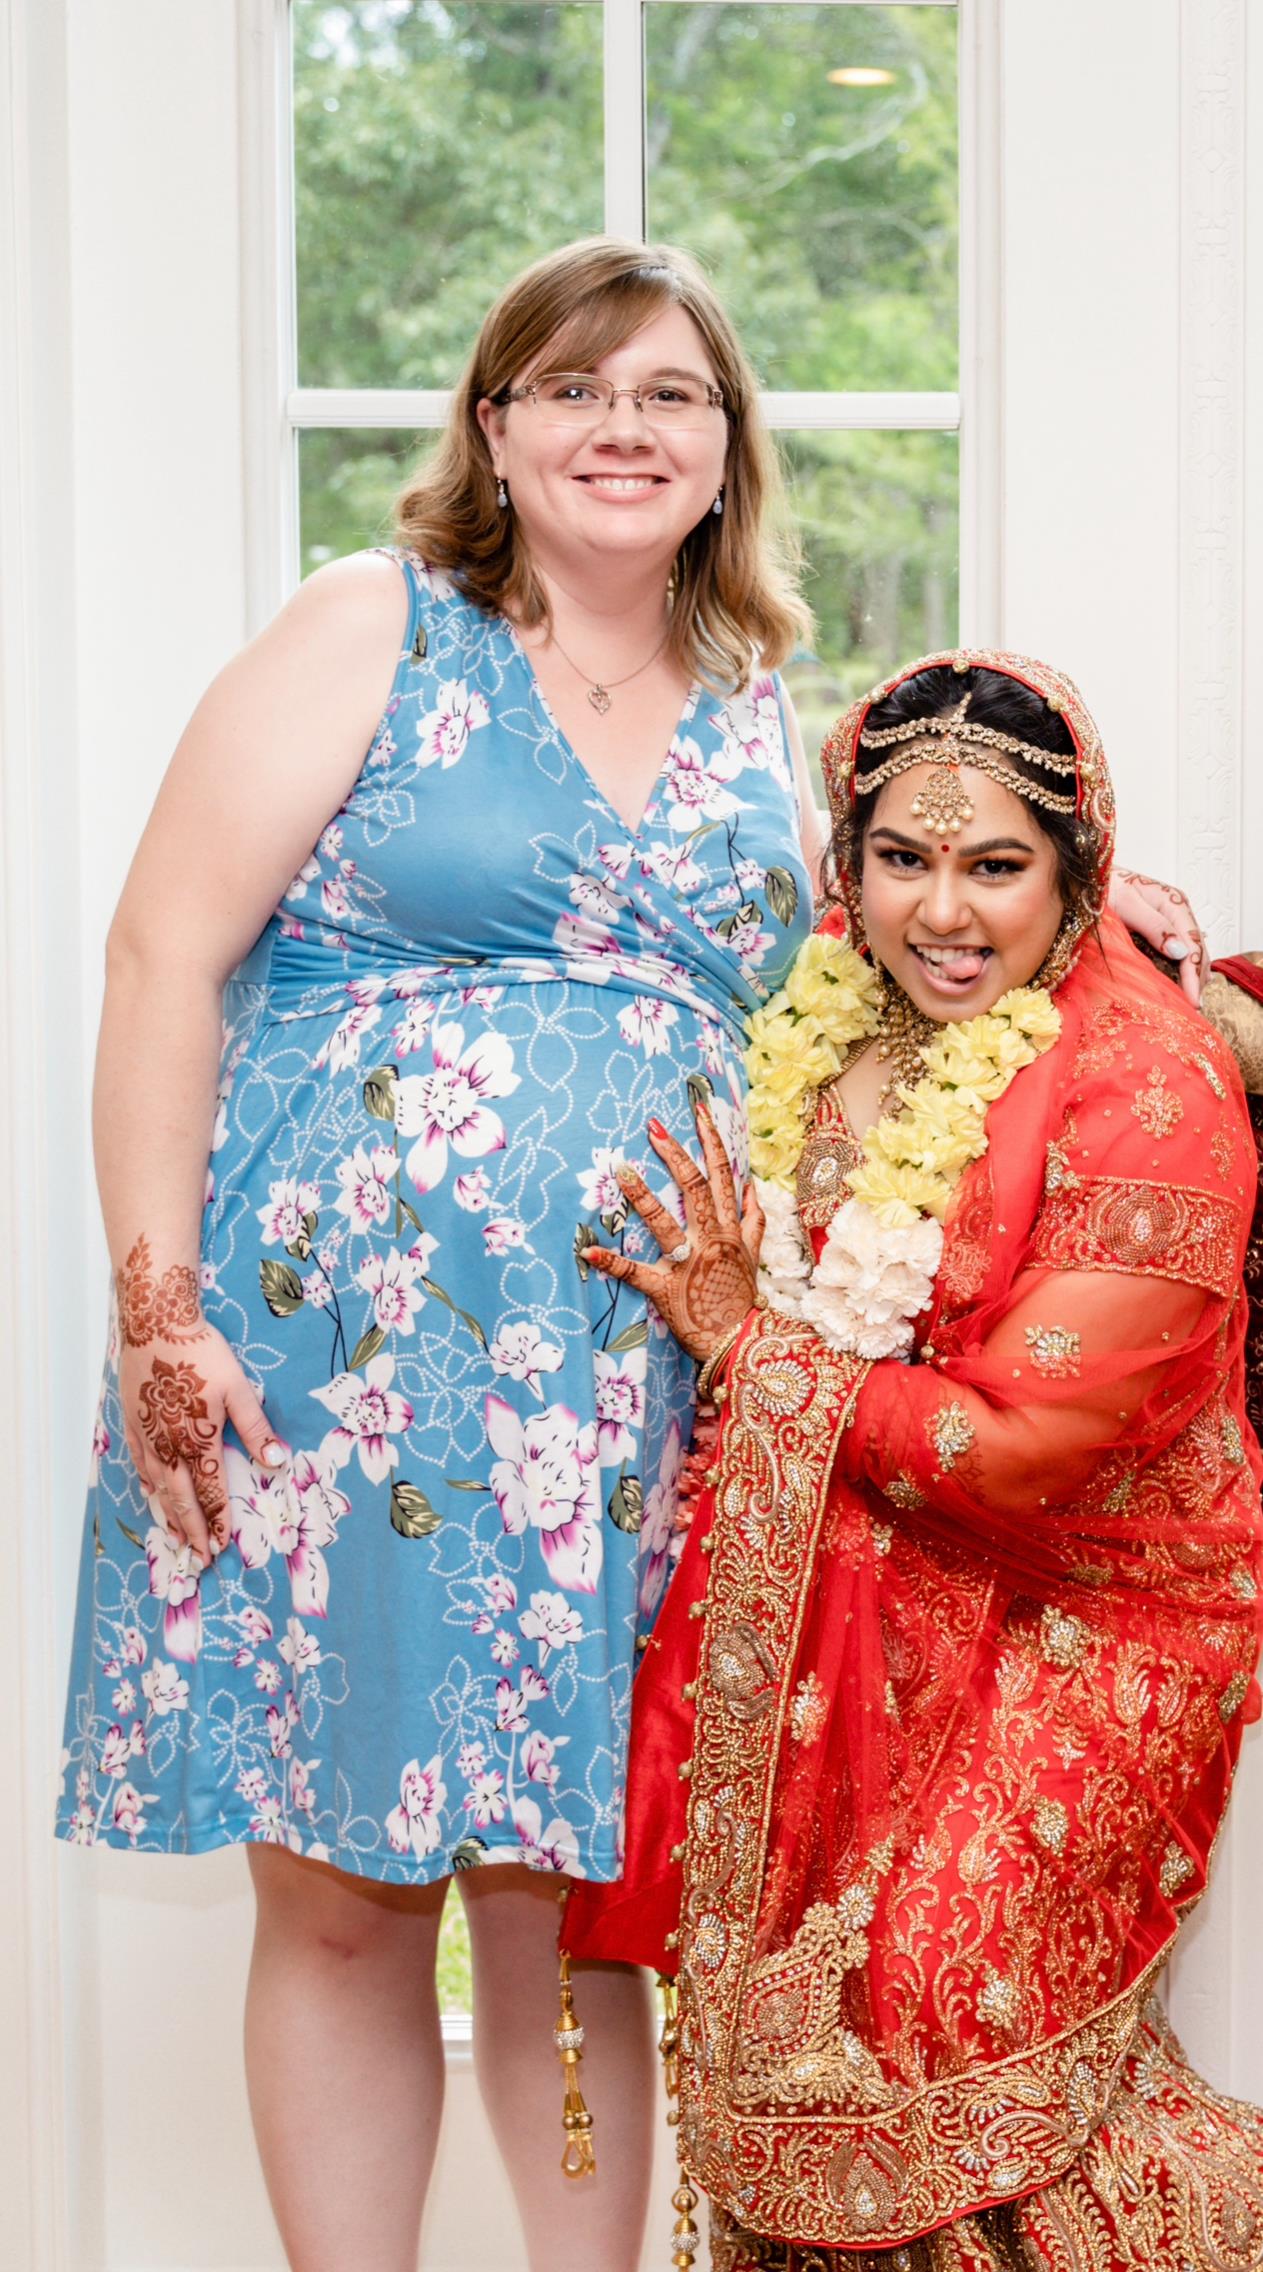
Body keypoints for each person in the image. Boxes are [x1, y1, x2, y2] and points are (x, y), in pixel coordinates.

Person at [55, 222, 1202, 2272]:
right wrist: (158, 1311)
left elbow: (921, 907)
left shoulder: (768, 707)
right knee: (337, 1888)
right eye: (575, 385)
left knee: (575, 1889)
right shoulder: (369, 627)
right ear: (493, 425)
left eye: (670, 393)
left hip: (634, 1380)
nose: (622, 425)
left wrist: (1119, 914)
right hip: (346, 1358)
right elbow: (160, 954)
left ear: (724, 449)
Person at [570, 649, 1263, 2270]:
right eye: (902, 858)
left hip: (1100, 1603)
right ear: (848, 864)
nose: (943, 911)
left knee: (940, 1992)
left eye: (997, 866)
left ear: (1077, 875)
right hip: (864, 1579)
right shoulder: (840, 1003)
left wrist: (748, 1347)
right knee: (808, 2029)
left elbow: (1019, 1443)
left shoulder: (1151, 1089)